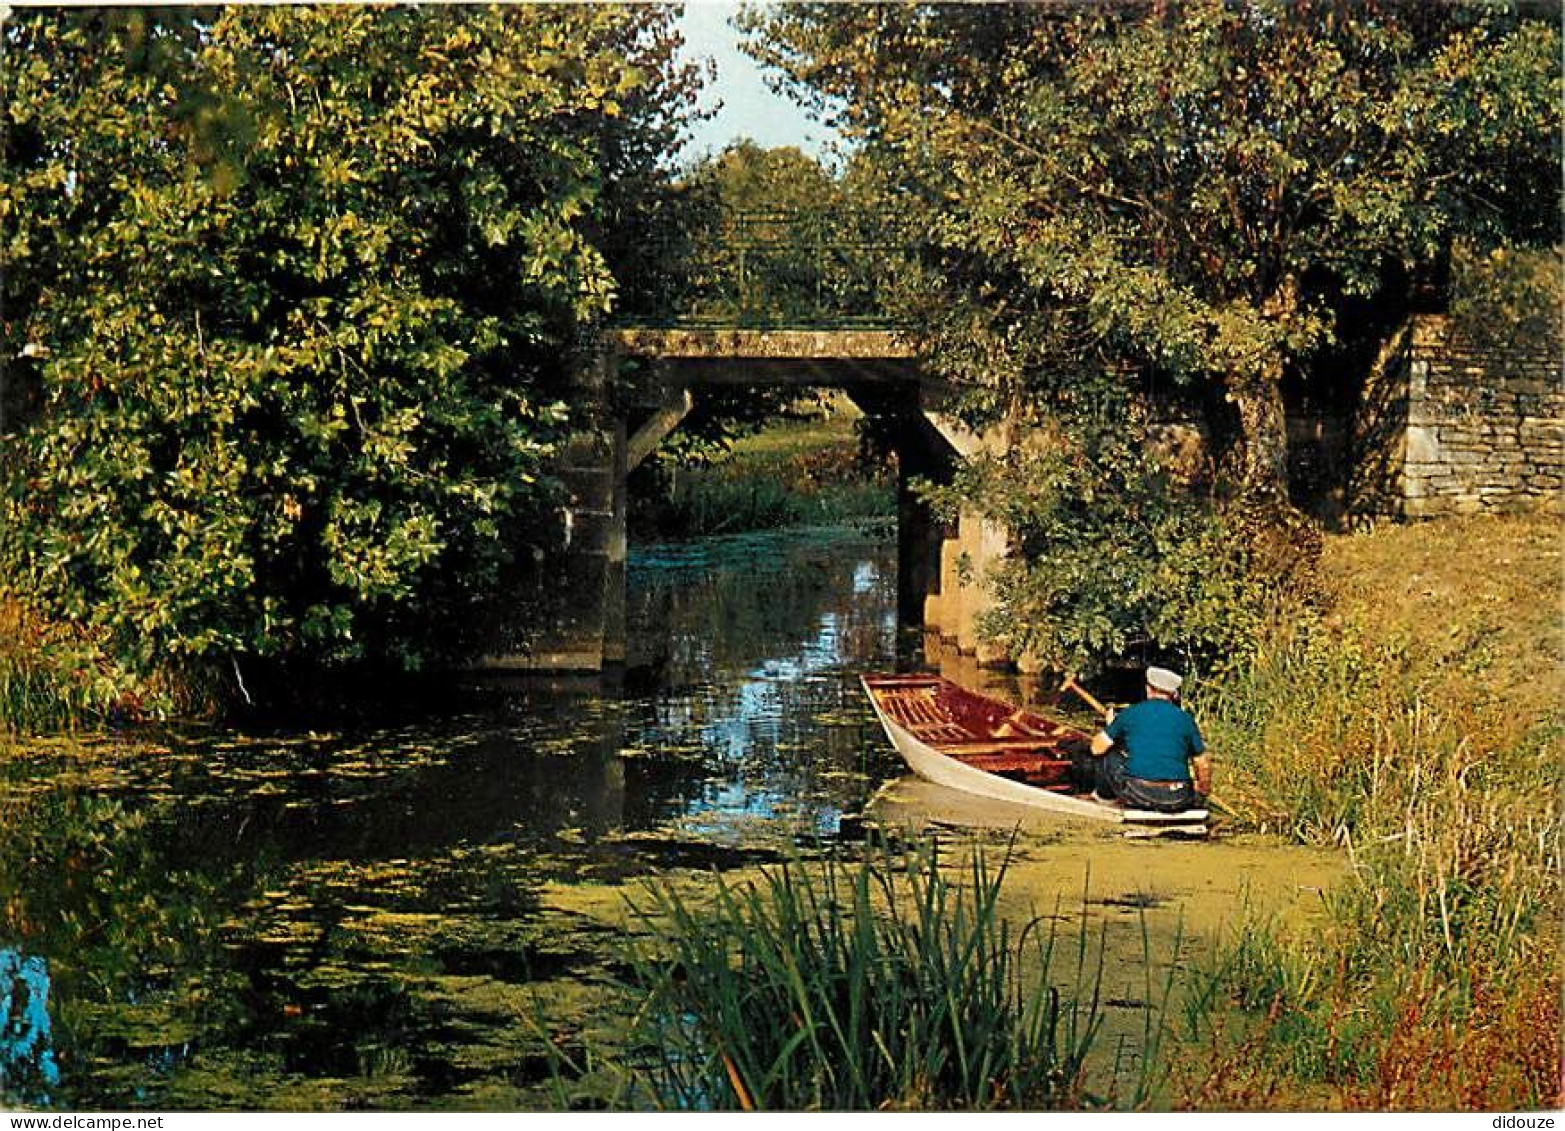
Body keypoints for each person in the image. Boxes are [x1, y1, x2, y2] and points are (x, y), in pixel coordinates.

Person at [1079, 666, 1211, 812]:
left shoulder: (1131, 713)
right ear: (1174, 694)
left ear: (1148, 689)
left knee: (1109, 753)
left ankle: (1104, 798)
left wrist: (1112, 727)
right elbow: (1202, 764)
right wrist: (1202, 793)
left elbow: (1096, 749)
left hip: (1140, 794)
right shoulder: (1186, 719)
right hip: (1179, 796)